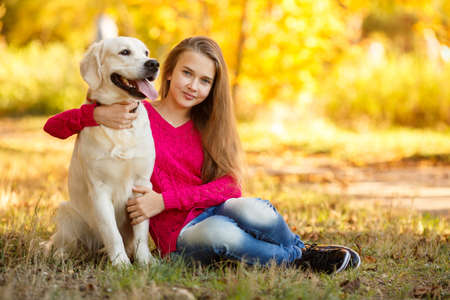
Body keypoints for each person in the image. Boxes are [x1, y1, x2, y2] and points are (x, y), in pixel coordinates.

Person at [44, 36, 360, 274]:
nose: (193, 86)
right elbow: (54, 126)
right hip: (178, 235)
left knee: (256, 210)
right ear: (168, 73)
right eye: (187, 73)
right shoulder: (136, 113)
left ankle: (301, 250)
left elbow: (230, 187)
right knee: (223, 234)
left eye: (205, 80)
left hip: (211, 209)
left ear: (212, 87)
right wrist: (94, 116)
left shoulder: (208, 124)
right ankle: (299, 261)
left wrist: (165, 200)